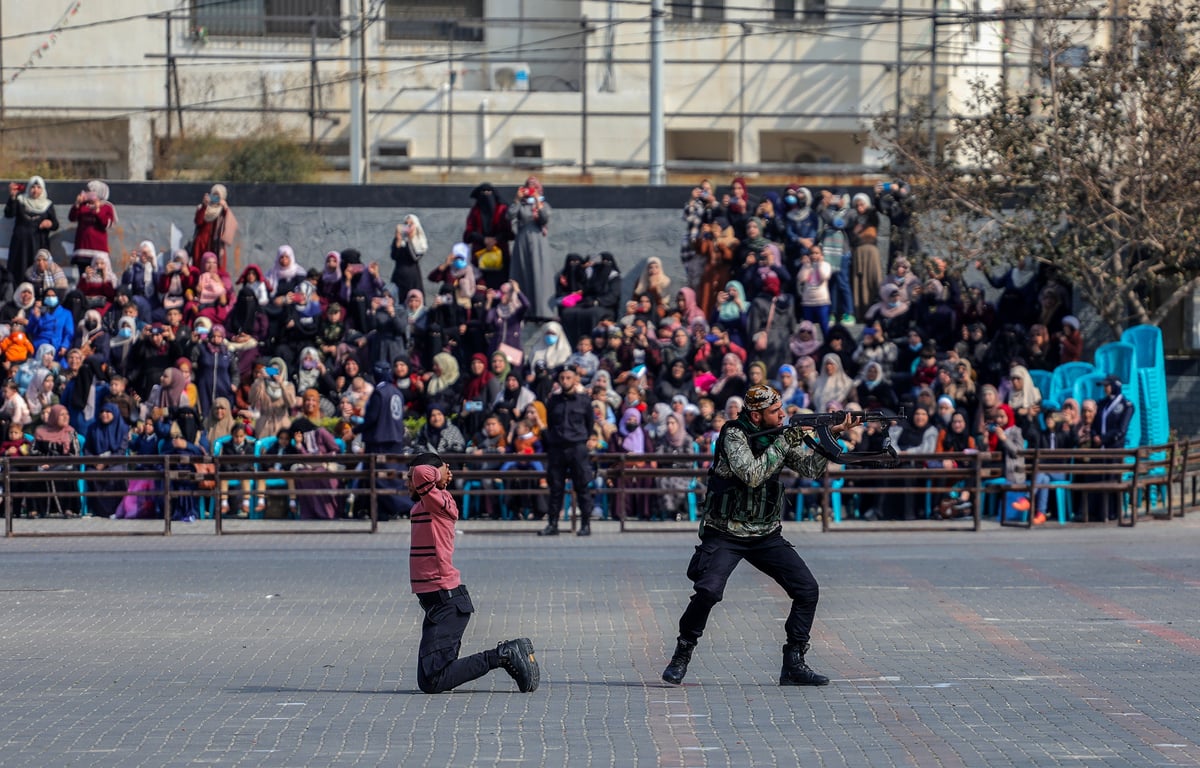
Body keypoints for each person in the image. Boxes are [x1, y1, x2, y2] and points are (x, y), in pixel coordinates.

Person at [661, 384, 857, 687]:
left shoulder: (779, 433)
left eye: (782, 410)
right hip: (725, 532)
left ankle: (794, 662)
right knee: (709, 591)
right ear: (755, 414)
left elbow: (809, 469)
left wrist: (831, 436)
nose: (782, 416)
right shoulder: (733, 434)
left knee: (807, 590)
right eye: (775, 412)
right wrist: (784, 442)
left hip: (765, 534)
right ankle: (682, 652)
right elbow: (751, 475)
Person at [407, 452, 540, 694]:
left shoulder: (441, 502)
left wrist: (442, 470)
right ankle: (503, 655)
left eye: (411, 476)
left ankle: (503, 655)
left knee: (434, 680)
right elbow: (419, 475)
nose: (410, 480)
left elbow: (421, 473)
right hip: (439, 607)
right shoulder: (422, 505)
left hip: (447, 603)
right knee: (430, 680)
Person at [539, 365, 595, 537]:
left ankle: (585, 525)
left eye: (568, 377)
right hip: (557, 448)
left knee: (582, 487)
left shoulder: (584, 400)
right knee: (556, 487)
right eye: (562, 378)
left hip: (577, 447)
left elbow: (589, 424)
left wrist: (584, 440)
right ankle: (553, 524)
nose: (565, 381)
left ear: (575, 379)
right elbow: (549, 423)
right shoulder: (552, 401)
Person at [5, 176, 59, 289]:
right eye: (33, 187)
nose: (35, 190)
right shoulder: (21, 200)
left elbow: (55, 224)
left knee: (37, 270)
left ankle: (37, 297)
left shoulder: (47, 204)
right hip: (21, 245)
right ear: (29, 188)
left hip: (39, 243)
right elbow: (9, 214)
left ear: (43, 189)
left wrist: (49, 223)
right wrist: (13, 196)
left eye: (39, 187)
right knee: (19, 269)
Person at [190, 184, 238, 272]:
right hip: (201, 244)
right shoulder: (202, 207)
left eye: (218, 196)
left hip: (217, 244)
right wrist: (204, 206)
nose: (215, 198)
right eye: (214, 195)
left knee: (218, 268)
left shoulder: (223, 209)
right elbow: (198, 222)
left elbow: (231, 224)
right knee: (199, 268)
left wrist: (225, 208)